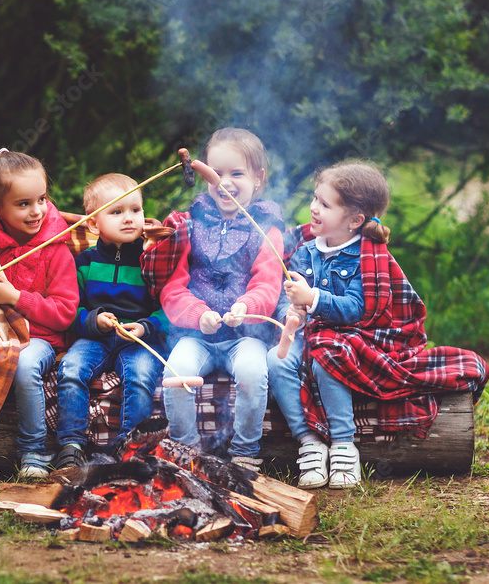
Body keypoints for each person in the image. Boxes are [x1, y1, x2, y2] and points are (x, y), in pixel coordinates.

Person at [160, 128, 285, 471]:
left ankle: (245, 451)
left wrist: (246, 308)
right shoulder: (190, 224)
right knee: (177, 371)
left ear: (258, 179)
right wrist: (197, 313)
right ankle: (184, 449)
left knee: (251, 372)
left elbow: (269, 282)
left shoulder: (266, 229)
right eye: (217, 173)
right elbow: (172, 288)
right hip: (195, 335)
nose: (225, 182)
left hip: (244, 336)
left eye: (237, 174)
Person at [0, 149, 79, 481]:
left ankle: (34, 450)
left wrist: (18, 298)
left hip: (42, 340)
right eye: (23, 204)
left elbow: (65, 314)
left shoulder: (55, 248)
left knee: (21, 363)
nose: (36, 211)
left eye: (42, 199)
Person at [267, 161, 386, 489]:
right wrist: (291, 314)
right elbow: (288, 298)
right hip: (309, 335)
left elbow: (357, 309)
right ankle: (309, 442)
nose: (313, 208)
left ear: (354, 220)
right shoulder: (305, 252)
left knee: (326, 360)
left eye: (325, 204)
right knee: (275, 362)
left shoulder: (366, 256)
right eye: (314, 199)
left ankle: (344, 445)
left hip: (350, 337)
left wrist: (314, 297)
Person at [54, 174, 166, 468]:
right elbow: (69, 310)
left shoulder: (151, 261)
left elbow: (168, 309)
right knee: (71, 368)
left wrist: (145, 326)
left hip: (138, 339)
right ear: (93, 224)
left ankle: (129, 450)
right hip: (96, 337)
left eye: (135, 210)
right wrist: (93, 321)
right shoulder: (86, 263)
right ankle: (71, 445)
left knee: (141, 375)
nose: (128, 219)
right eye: (116, 212)